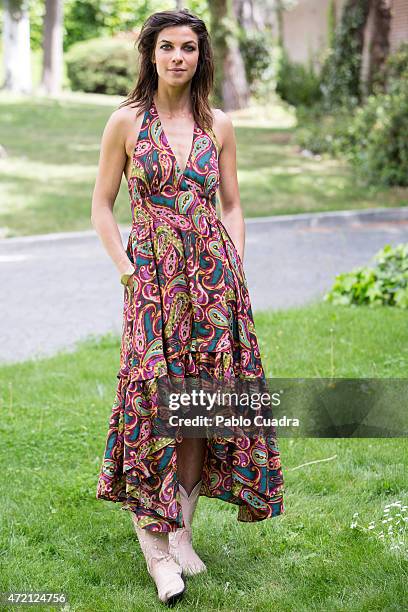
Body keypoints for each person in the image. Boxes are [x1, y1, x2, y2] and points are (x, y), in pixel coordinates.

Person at [91, 8, 284, 607]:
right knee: (151, 405)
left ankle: (181, 531)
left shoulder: (218, 124)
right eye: (169, 47)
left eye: (190, 48)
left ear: (201, 57)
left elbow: (232, 203)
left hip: (213, 282)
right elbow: (101, 205)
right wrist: (127, 270)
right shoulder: (124, 122)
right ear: (151, 53)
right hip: (151, 281)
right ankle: (156, 556)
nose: (179, 57)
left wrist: (234, 266)